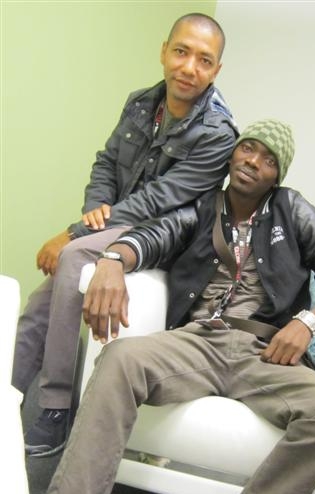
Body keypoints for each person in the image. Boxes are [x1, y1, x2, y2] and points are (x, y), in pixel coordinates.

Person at [30, 119, 315, 494]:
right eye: (248, 149)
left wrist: (308, 322)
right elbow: (152, 237)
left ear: (278, 175)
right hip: (197, 340)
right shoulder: (201, 206)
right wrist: (111, 260)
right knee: (120, 359)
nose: (253, 162)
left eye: (268, 159)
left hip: (265, 350)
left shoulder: (293, 211)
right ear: (234, 154)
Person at [13, 12, 237, 458]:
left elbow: (161, 199)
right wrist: (95, 208)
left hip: (163, 235)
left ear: (216, 70)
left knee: (73, 255)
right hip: (118, 221)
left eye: (204, 60)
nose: (189, 67)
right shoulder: (140, 103)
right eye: (181, 52)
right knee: (41, 303)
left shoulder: (218, 133)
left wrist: (75, 232)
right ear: (164, 52)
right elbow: (106, 162)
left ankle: (56, 407)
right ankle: (8, 396)